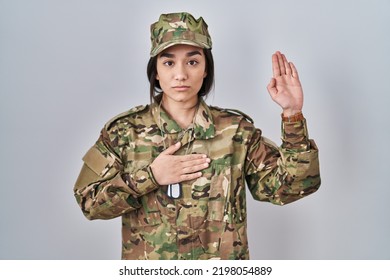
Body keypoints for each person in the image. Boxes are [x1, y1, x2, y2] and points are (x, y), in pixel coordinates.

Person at [74, 12, 321, 260]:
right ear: (156, 72)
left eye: (192, 62)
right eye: (169, 63)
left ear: (205, 70)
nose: (180, 74)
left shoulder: (235, 131)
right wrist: (149, 176)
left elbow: (292, 187)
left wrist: (292, 114)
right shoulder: (125, 132)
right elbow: (89, 203)